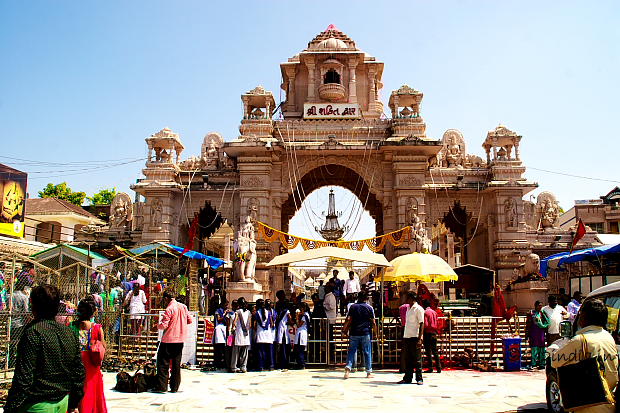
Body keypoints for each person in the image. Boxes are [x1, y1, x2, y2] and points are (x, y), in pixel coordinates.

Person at [4, 284, 85, 413]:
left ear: (33, 304)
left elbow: (24, 378)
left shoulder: (33, 333)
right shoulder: (69, 333)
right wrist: (73, 402)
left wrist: (11, 408)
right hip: (62, 402)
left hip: (37, 404)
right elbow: (79, 372)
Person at [551, 299, 619, 413]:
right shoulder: (608, 337)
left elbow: (555, 361)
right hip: (610, 401)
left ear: (585, 317)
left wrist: (554, 350)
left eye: (581, 313)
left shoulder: (580, 340)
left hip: (589, 405)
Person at [69, 299, 107, 413]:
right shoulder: (97, 328)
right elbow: (103, 346)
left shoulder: (71, 326)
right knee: (90, 390)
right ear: (93, 312)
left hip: (75, 361)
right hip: (91, 363)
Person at [155, 290, 193, 393]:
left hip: (168, 339)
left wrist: (157, 325)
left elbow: (164, 325)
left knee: (163, 364)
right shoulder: (183, 307)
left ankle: (162, 386)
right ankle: (175, 387)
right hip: (180, 339)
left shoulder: (169, 308)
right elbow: (190, 320)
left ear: (167, 298)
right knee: (176, 364)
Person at [343, 291, 376, 379]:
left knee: (351, 351)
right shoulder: (369, 308)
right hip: (365, 332)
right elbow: (373, 322)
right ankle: (368, 372)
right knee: (367, 352)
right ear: (367, 298)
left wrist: (344, 330)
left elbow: (349, 319)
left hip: (354, 332)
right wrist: (376, 333)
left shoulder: (353, 307)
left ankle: (348, 369)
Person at [399, 291, 425, 385]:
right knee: (408, 359)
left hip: (415, 336)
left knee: (417, 359)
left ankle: (419, 378)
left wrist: (420, 338)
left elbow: (422, 323)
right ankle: (407, 378)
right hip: (407, 335)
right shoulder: (408, 309)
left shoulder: (419, 309)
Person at [525, 300, 549, 369]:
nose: (540, 307)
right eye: (539, 305)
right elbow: (528, 324)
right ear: (535, 306)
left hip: (541, 333)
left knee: (542, 349)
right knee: (534, 349)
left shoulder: (542, 313)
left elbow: (547, 322)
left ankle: (542, 363)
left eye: (541, 306)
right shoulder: (531, 313)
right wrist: (526, 334)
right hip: (533, 333)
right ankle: (533, 363)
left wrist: (544, 327)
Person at [230, 297, 251, 373]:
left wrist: (233, 329)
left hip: (239, 332)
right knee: (245, 351)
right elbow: (250, 324)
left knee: (236, 351)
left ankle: (233, 367)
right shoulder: (248, 312)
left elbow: (234, 322)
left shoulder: (238, 312)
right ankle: (243, 367)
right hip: (246, 333)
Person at [422, 299, 441, 373]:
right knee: (435, 351)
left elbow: (426, 324)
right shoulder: (434, 312)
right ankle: (438, 367)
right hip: (434, 332)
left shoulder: (425, 312)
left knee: (428, 351)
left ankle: (430, 367)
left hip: (427, 333)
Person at [255, 299, 274, 371]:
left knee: (260, 351)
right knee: (269, 351)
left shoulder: (257, 313)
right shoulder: (268, 312)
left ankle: (261, 366)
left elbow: (255, 324)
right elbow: (271, 324)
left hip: (260, 333)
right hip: (268, 333)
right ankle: (271, 365)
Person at [274, 299, 291, 370]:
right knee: (284, 348)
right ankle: (284, 364)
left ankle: (281, 363)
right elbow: (290, 318)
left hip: (280, 330)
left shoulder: (278, 312)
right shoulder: (286, 311)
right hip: (284, 331)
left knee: (280, 348)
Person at [213, 299, 230, 370]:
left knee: (224, 349)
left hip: (224, 330)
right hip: (219, 330)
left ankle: (223, 363)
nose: (227, 306)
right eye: (226, 305)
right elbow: (219, 319)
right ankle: (217, 363)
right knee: (218, 349)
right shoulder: (218, 311)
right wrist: (224, 314)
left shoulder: (227, 311)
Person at [323, 284, 337, 362]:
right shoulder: (327, 296)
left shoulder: (331, 296)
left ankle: (331, 353)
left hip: (330, 318)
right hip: (327, 318)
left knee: (330, 337)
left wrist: (324, 306)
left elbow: (331, 306)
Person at [295, 302, 311, 369]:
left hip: (301, 333)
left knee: (300, 349)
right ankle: (300, 363)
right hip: (301, 332)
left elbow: (299, 325)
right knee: (299, 349)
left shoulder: (305, 316)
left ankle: (301, 364)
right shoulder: (306, 315)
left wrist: (297, 317)